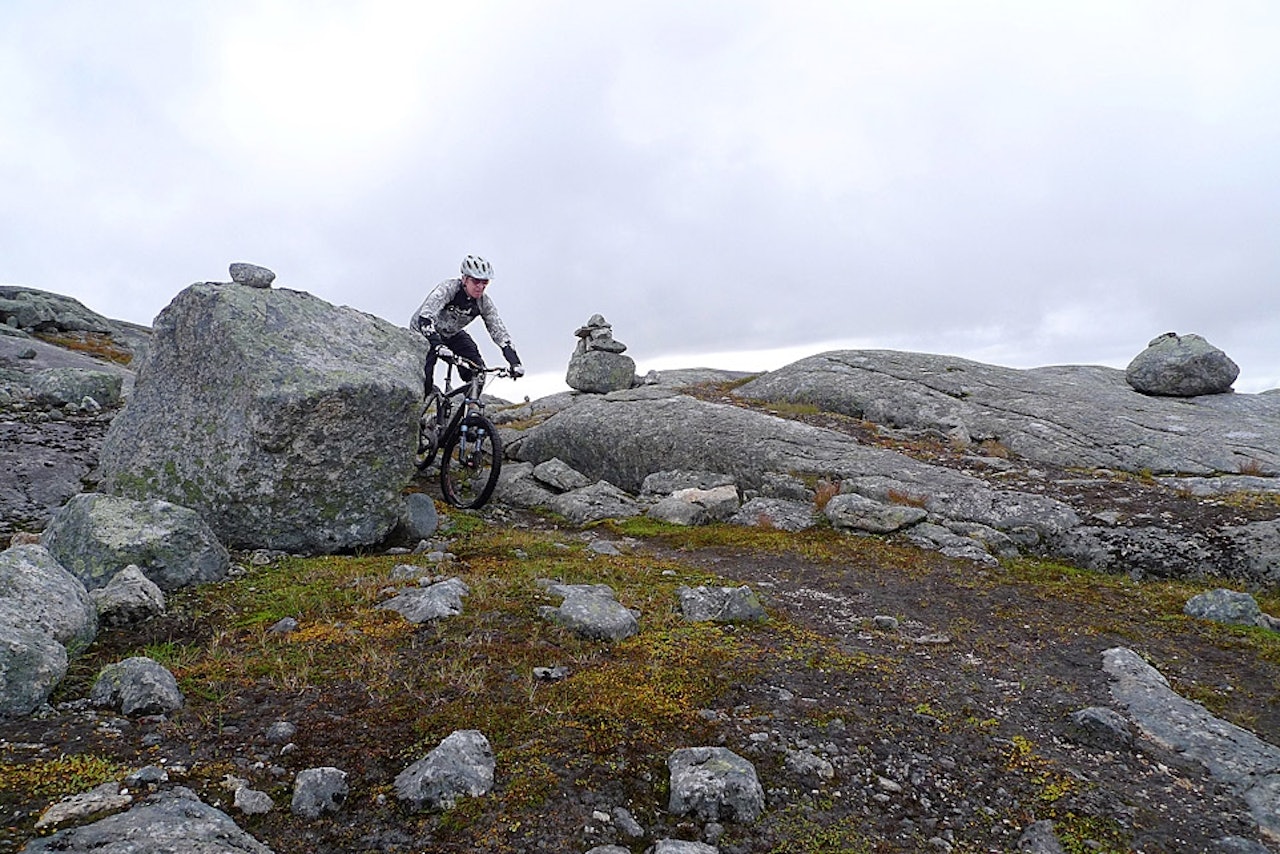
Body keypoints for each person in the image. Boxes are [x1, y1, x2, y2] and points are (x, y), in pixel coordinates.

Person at [409, 255, 524, 397]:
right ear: (464, 279)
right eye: (476, 281)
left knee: (477, 371)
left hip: (452, 333)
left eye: (485, 282)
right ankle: (426, 398)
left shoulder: (484, 303)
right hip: (424, 332)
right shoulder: (448, 289)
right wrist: (438, 345)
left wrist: (515, 362)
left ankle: (470, 407)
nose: (480, 286)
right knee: (425, 379)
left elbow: (499, 332)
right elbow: (425, 318)